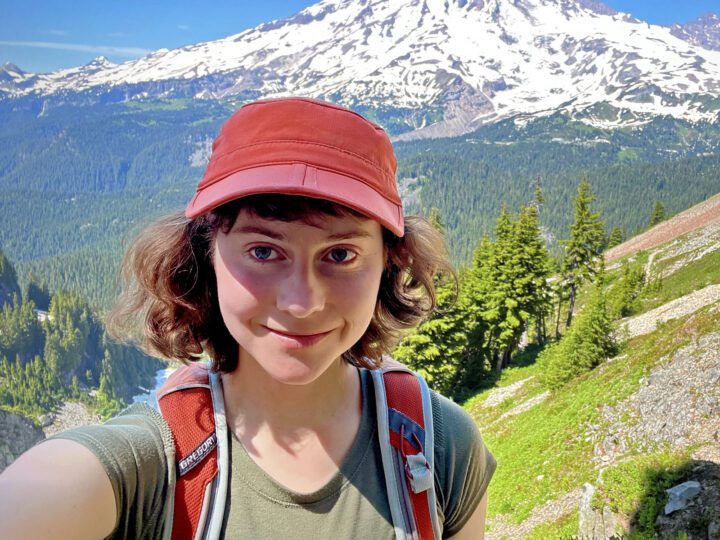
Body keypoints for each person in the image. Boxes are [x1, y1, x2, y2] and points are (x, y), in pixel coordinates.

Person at [0, 97, 495, 539]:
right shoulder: (152, 465)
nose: (302, 302)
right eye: (263, 250)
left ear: (389, 261)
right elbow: (42, 492)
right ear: (205, 255)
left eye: (340, 254)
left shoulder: (441, 448)